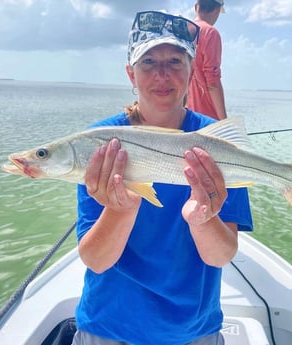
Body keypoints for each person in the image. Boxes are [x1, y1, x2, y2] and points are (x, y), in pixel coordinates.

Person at [72, 10, 253, 345]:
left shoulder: (216, 145)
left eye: (174, 61)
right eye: (149, 62)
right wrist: (121, 210)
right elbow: (96, 261)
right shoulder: (99, 143)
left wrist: (202, 219)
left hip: (192, 330)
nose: (162, 75)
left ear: (191, 69)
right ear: (131, 73)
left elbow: (221, 256)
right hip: (108, 326)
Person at [187, 0, 227, 120]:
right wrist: (224, 123)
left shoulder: (183, 30)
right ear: (217, 10)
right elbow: (212, 83)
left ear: (196, 7)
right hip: (206, 119)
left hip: (185, 116)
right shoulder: (210, 32)